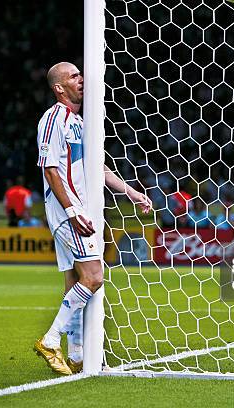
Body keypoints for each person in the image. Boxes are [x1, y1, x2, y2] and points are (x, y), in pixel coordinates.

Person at [33, 62, 152, 375]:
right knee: (94, 277)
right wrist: (72, 211)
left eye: (80, 73)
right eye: (73, 76)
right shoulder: (53, 117)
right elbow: (49, 168)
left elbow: (97, 169)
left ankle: (76, 355)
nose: (81, 78)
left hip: (76, 210)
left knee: (74, 280)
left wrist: (131, 192)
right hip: (70, 211)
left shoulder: (80, 122)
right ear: (59, 88)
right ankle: (50, 339)